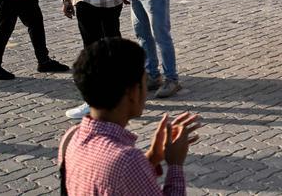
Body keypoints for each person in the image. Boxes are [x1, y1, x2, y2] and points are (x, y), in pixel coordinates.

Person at [58, 38, 202, 195]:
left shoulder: (72, 137)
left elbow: (120, 185)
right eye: (144, 82)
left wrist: (153, 156)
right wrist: (175, 165)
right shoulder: (127, 160)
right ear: (133, 92)